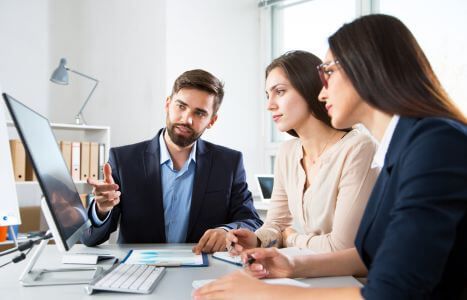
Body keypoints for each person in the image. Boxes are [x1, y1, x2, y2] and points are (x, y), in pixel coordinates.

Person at [193, 14, 467, 299]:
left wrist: (266, 293)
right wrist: (292, 263)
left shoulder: (434, 143)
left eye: (328, 73)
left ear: (367, 68)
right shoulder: (398, 150)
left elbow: (392, 290)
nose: (322, 93)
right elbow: (370, 256)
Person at [82, 69, 263, 253]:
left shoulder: (229, 163)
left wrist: (226, 231)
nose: (187, 119)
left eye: (199, 113)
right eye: (181, 106)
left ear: (212, 120)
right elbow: (90, 238)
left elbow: (252, 221)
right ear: (168, 104)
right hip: (139, 272)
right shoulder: (123, 160)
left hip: (203, 273)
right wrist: (102, 210)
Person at [226, 51, 378, 253]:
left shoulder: (358, 148)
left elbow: (343, 246)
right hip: (308, 273)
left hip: (351, 279)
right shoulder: (287, 152)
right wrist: (256, 240)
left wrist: (292, 239)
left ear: (309, 88)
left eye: (279, 92)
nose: (269, 105)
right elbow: (277, 224)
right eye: (267, 95)